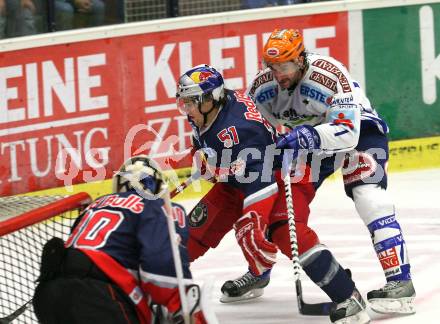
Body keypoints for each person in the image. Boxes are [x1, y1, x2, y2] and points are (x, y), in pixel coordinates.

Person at [176, 64, 370, 324]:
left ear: (211, 99)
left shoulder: (241, 128)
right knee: (193, 232)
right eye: (184, 102)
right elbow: (210, 147)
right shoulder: (207, 112)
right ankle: (151, 293)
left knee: (283, 231)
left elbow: (262, 180)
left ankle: (347, 294)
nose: (186, 109)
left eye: (191, 102)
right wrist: (202, 159)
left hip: (276, 173)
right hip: (236, 178)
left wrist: (255, 219)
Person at [241, 28, 416, 315]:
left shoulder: (330, 74)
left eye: (284, 66)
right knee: (276, 208)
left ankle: (400, 282)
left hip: (359, 134)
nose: (277, 74)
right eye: (271, 67)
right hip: (312, 147)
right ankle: (259, 268)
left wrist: (308, 135)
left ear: (300, 59)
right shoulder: (264, 86)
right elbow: (252, 125)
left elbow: (347, 132)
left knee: (369, 197)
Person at [32, 155, 208, 324]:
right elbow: (160, 265)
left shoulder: (95, 205)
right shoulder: (157, 206)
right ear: (157, 185)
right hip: (98, 297)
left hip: (48, 295)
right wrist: (181, 307)